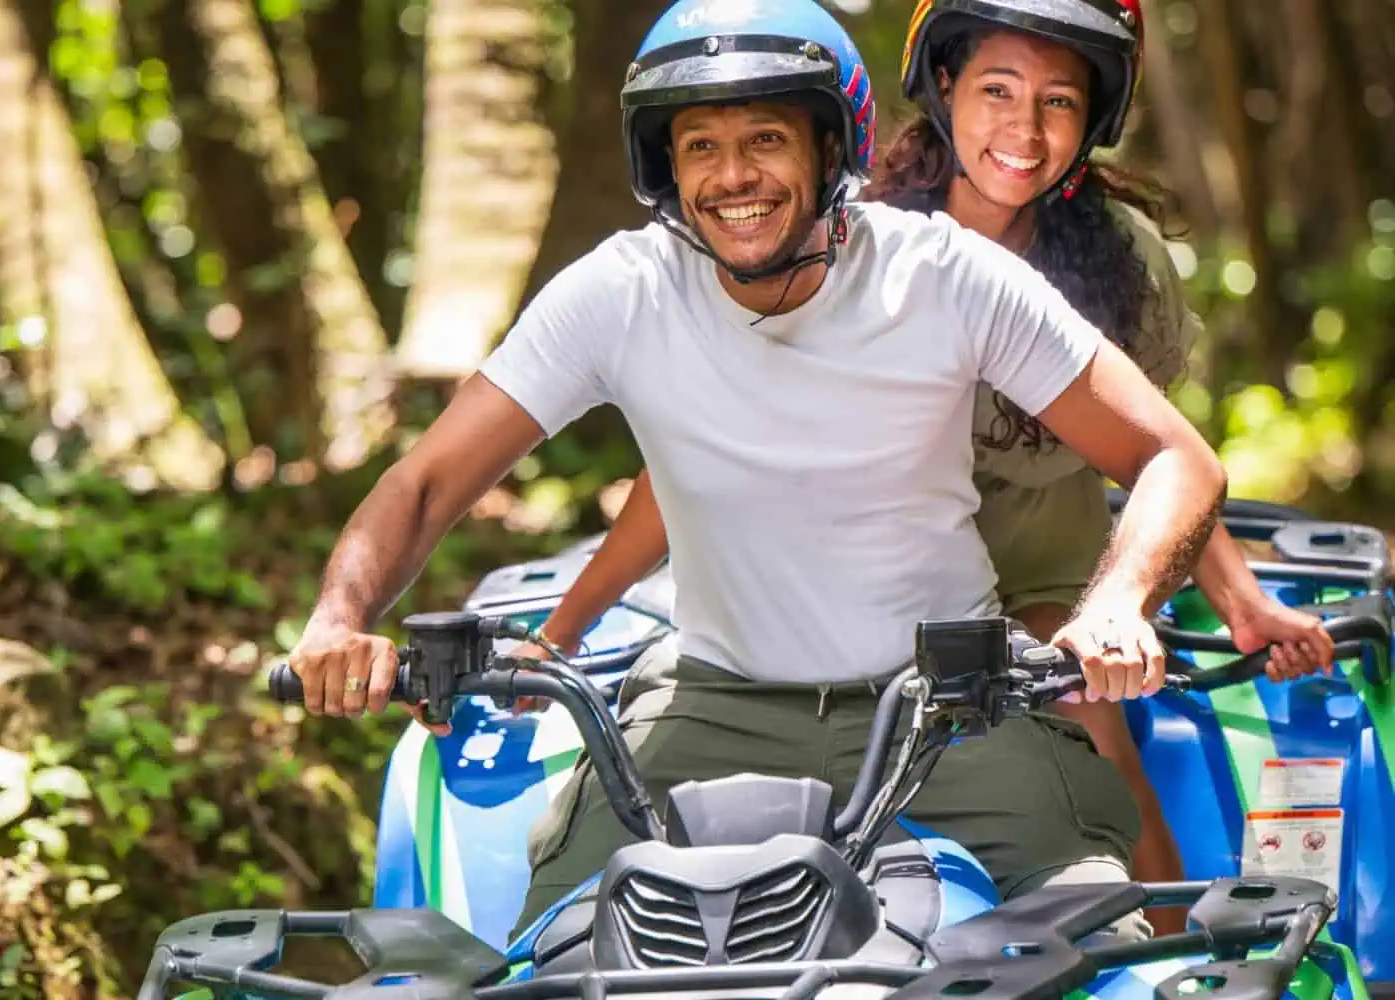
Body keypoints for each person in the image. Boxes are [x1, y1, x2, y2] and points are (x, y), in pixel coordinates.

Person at [288, 0, 1231, 946]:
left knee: (1101, 943)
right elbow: (424, 484)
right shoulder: (621, 292)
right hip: (711, 699)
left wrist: (1117, 605)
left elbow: (1174, 456)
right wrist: (338, 621)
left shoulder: (941, 274)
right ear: (665, 166)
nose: (733, 176)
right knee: (556, 949)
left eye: (767, 139)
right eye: (700, 146)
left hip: (946, 703)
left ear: (833, 151)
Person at [502, 0, 1336, 936]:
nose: (1023, 130)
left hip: (1043, 568)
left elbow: (1160, 454)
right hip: (875, 577)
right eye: (995, 92)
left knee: (1089, 731)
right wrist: (564, 626)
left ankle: (1156, 957)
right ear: (941, 89)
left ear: (1093, 119)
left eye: (1059, 102)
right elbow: (702, 452)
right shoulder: (845, 236)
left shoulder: (1123, 258)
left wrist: (1233, 601)